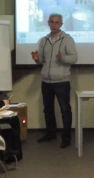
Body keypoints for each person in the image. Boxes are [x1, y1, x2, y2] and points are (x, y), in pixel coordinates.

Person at [31, 13, 77, 148]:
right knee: (48, 109)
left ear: (61, 24)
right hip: (46, 81)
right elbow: (41, 60)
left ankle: (66, 137)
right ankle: (51, 133)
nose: (54, 25)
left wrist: (62, 58)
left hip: (62, 81)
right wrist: (36, 59)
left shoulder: (67, 39)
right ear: (48, 23)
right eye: (52, 22)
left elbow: (74, 58)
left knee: (65, 110)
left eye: (57, 22)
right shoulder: (43, 40)